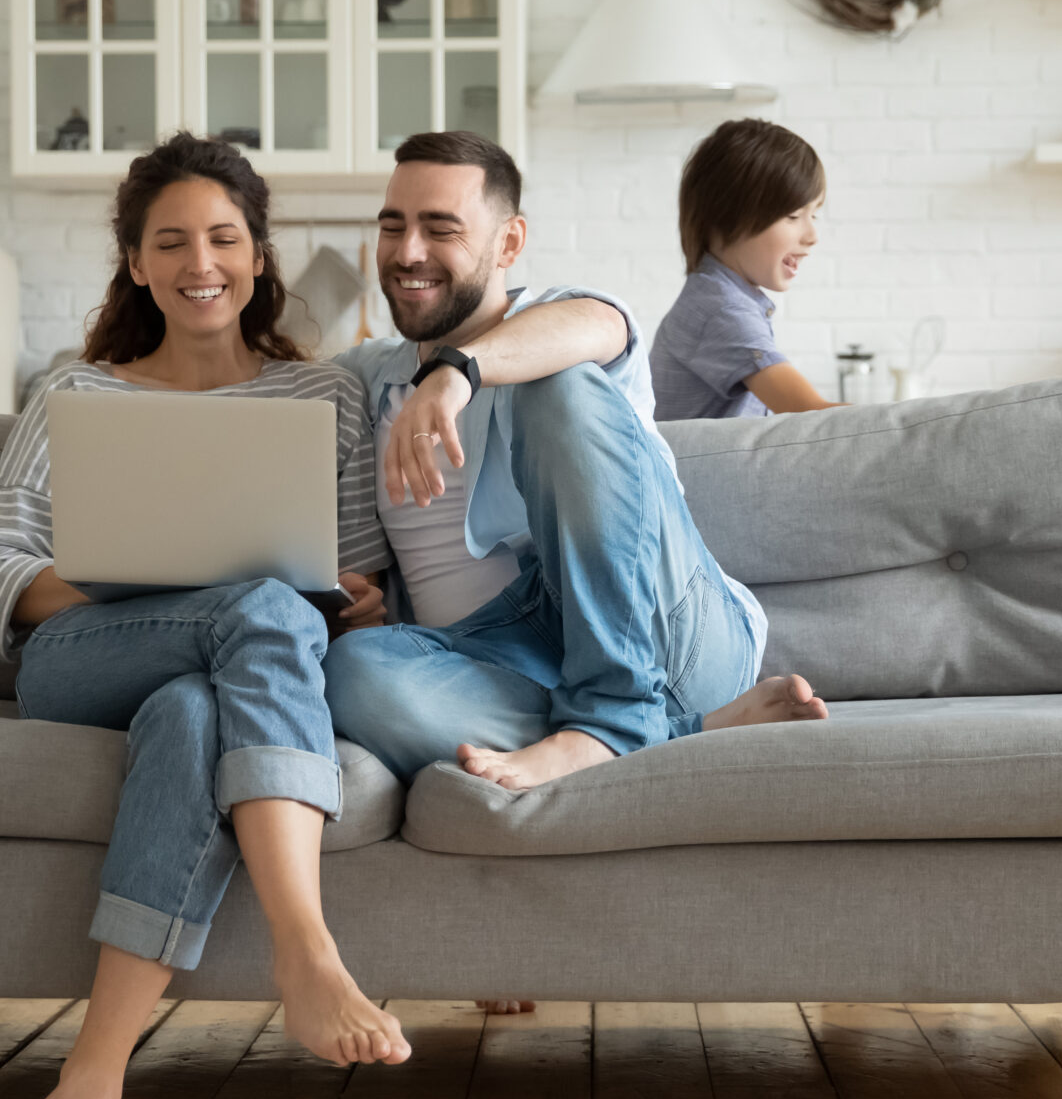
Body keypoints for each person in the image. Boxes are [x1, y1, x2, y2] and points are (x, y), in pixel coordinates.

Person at [0, 134, 410, 1099]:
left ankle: (91, 1082)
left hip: (224, 676)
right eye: (170, 242)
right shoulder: (79, 397)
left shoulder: (325, 397)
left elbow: (352, 571)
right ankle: (306, 953)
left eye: (222, 237)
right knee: (253, 606)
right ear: (136, 263)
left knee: (194, 717)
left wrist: (365, 597)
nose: (198, 261)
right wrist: (139, 580)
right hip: (83, 656)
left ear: (257, 256)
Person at [322, 130, 830, 799]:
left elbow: (595, 327)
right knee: (349, 672)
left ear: (508, 244)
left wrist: (458, 372)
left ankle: (612, 714)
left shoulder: (560, 320)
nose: (408, 251)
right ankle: (680, 730)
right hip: (506, 658)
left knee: (557, 380)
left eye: (440, 228)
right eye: (394, 227)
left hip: (667, 629)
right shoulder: (365, 377)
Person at [651, 119, 839, 420]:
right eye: (793, 215)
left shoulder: (723, 298)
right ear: (726, 217)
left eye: (813, 215)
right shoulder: (721, 311)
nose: (812, 235)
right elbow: (814, 416)